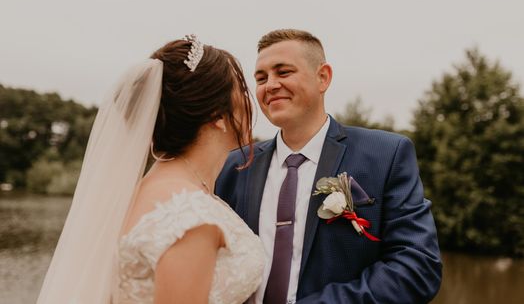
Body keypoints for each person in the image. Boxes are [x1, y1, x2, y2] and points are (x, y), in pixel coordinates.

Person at [216, 29, 442, 303]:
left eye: (283, 72)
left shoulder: (386, 154)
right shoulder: (234, 166)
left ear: (323, 77)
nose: (270, 85)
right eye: (261, 78)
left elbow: (417, 266)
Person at [37, 35, 265, 304]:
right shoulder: (191, 218)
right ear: (217, 114)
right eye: (242, 90)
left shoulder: (146, 191)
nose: (252, 102)